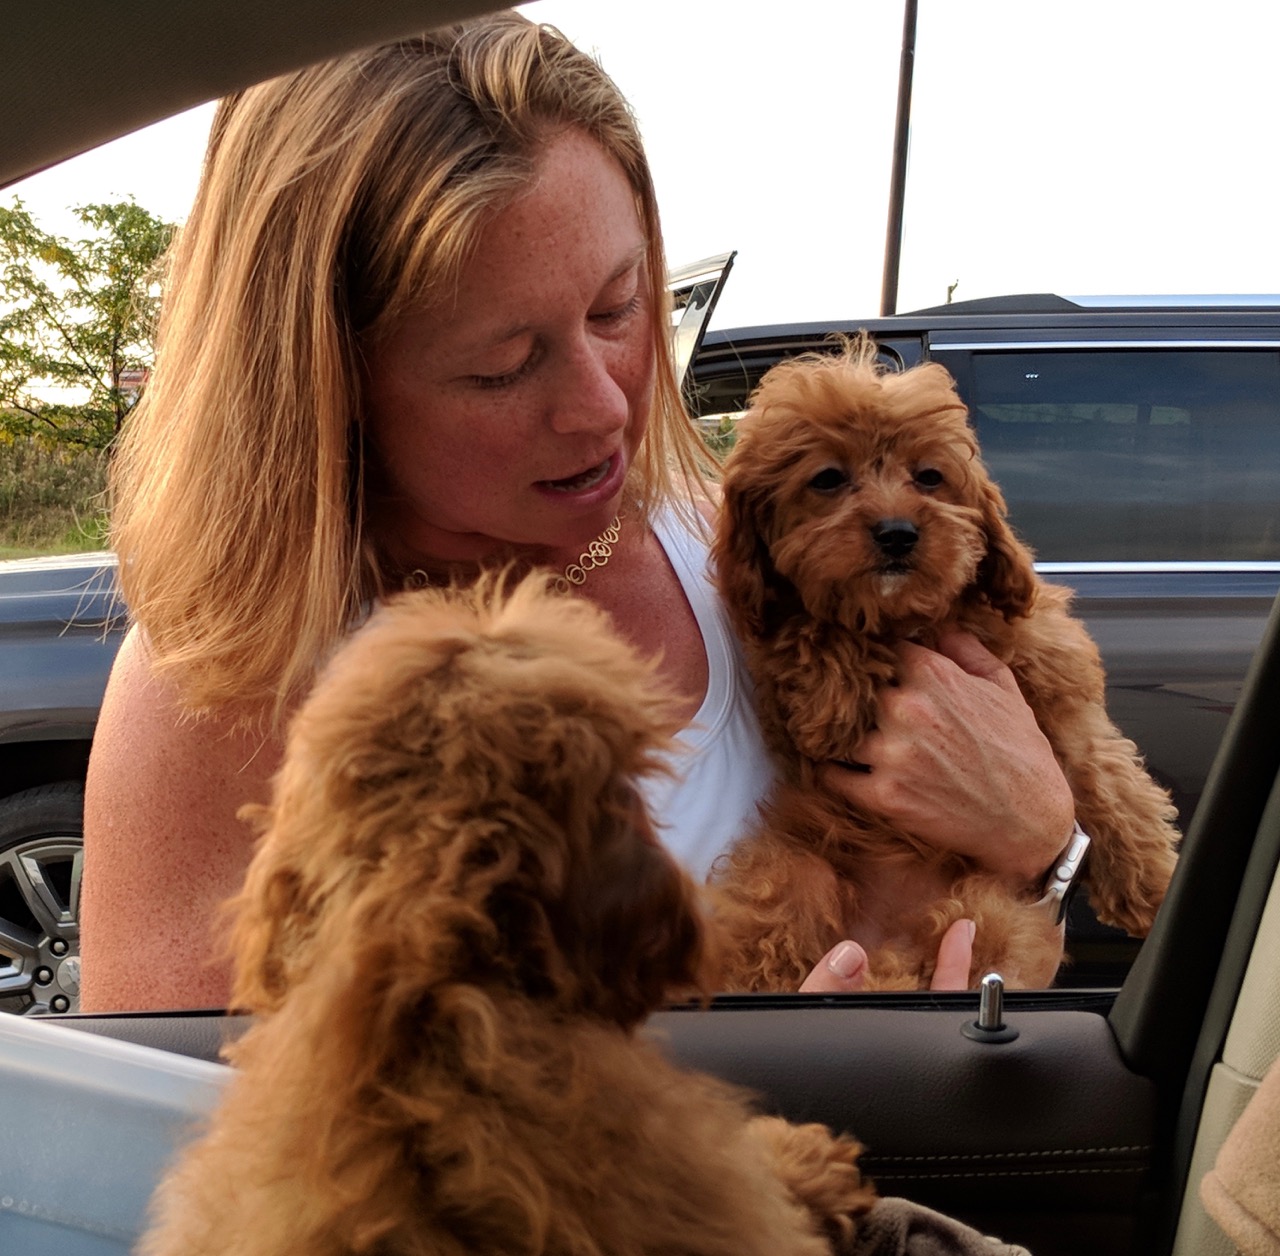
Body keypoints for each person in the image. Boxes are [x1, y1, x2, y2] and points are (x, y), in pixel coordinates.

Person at [81, 11, 1074, 1014]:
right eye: (503, 366)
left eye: (618, 306)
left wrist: (1042, 840)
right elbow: (169, 1106)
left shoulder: (746, 555)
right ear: (327, 380)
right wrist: (758, 1081)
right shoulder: (223, 682)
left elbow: (999, 909)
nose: (603, 406)